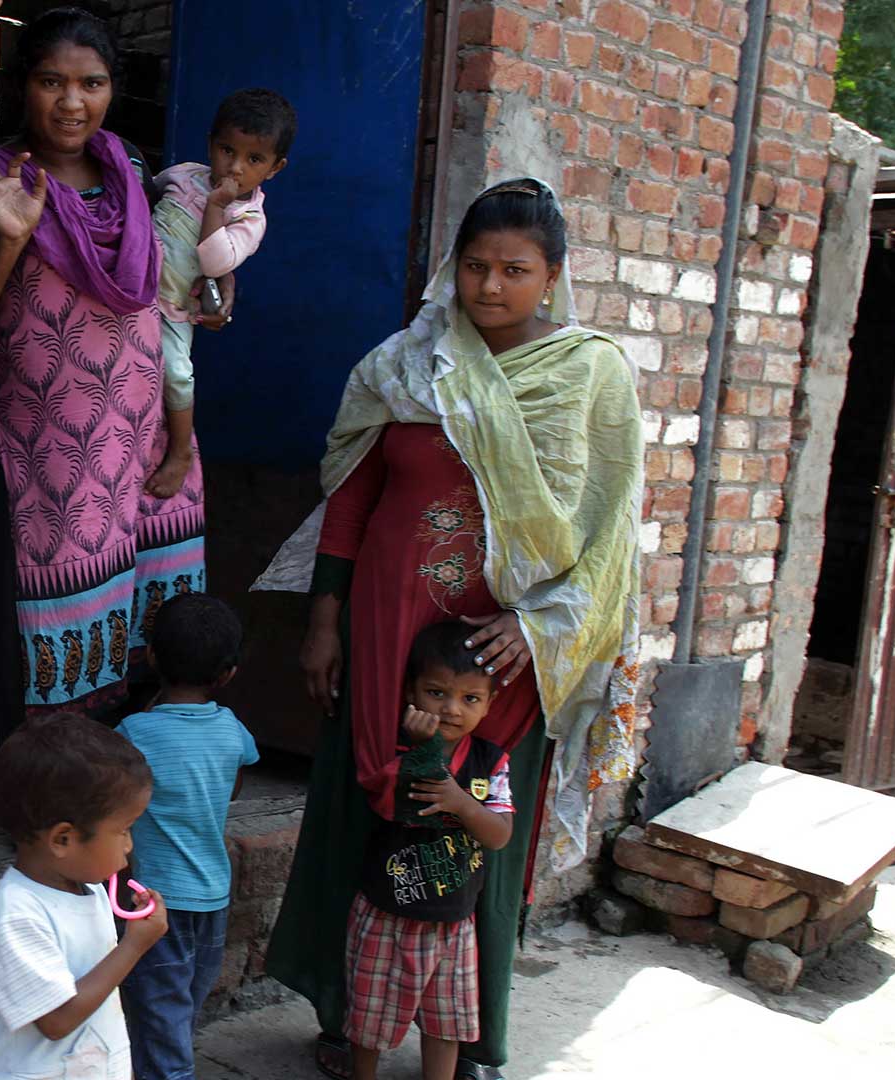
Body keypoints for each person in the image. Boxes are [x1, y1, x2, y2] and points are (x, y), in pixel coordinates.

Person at [262, 177, 642, 1080]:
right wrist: (324, 620)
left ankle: (472, 1035)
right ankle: (346, 1011)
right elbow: (351, 498)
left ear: (553, 275)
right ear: (452, 268)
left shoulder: (591, 376)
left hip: (505, 654)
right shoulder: (408, 363)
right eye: (474, 266)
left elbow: (610, 528)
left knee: (476, 829)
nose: (490, 286)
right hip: (389, 634)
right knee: (366, 815)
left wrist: (544, 622)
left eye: (515, 269)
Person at [0, 7, 206, 740]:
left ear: (113, 88)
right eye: (51, 81)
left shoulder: (132, 170)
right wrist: (10, 237)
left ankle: (119, 788)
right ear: (23, 87)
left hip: (138, 432)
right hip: (48, 443)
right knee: (46, 623)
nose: (71, 102)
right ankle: (41, 797)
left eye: (91, 83)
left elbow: (168, 287)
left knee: (151, 625)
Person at [348, 622, 514, 1080]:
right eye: (436, 692)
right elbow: (389, 804)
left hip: (454, 922)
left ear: (489, 702)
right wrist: (424, 751)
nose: (451, 709)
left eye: (470, 698)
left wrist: (461, 803)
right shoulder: (397, 749)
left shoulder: (491, 761)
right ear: (411, 692)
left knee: (448, 1023)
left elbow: (499, 834)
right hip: (388, 912)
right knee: (371, 1017)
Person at [0, 714, 170, 1079]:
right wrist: (134, 946)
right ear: (63, 840)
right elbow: (58, 1019)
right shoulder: (16, 916)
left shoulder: (87, 887)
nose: (129, 845)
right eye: (123, 830)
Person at [116, 593, 260, 1080]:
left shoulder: (134, 732)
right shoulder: (232, 730)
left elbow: (113, 799)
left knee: (163, 1022)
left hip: (153, 901)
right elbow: (234, 784)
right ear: (228, 675)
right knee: (180, 1013)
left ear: (151, 656)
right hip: (213, 897)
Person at [144, 89, 293, 500]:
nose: (235, 167)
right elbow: (146, 199)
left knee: (177, 375)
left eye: (254, 159)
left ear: (275, 168)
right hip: (131, 293)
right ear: (211, 142)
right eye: (227, 150)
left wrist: (215, 207)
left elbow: (214, 264)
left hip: (171, 310)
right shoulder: (184, 174)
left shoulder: (247, 217)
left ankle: (179, 452)